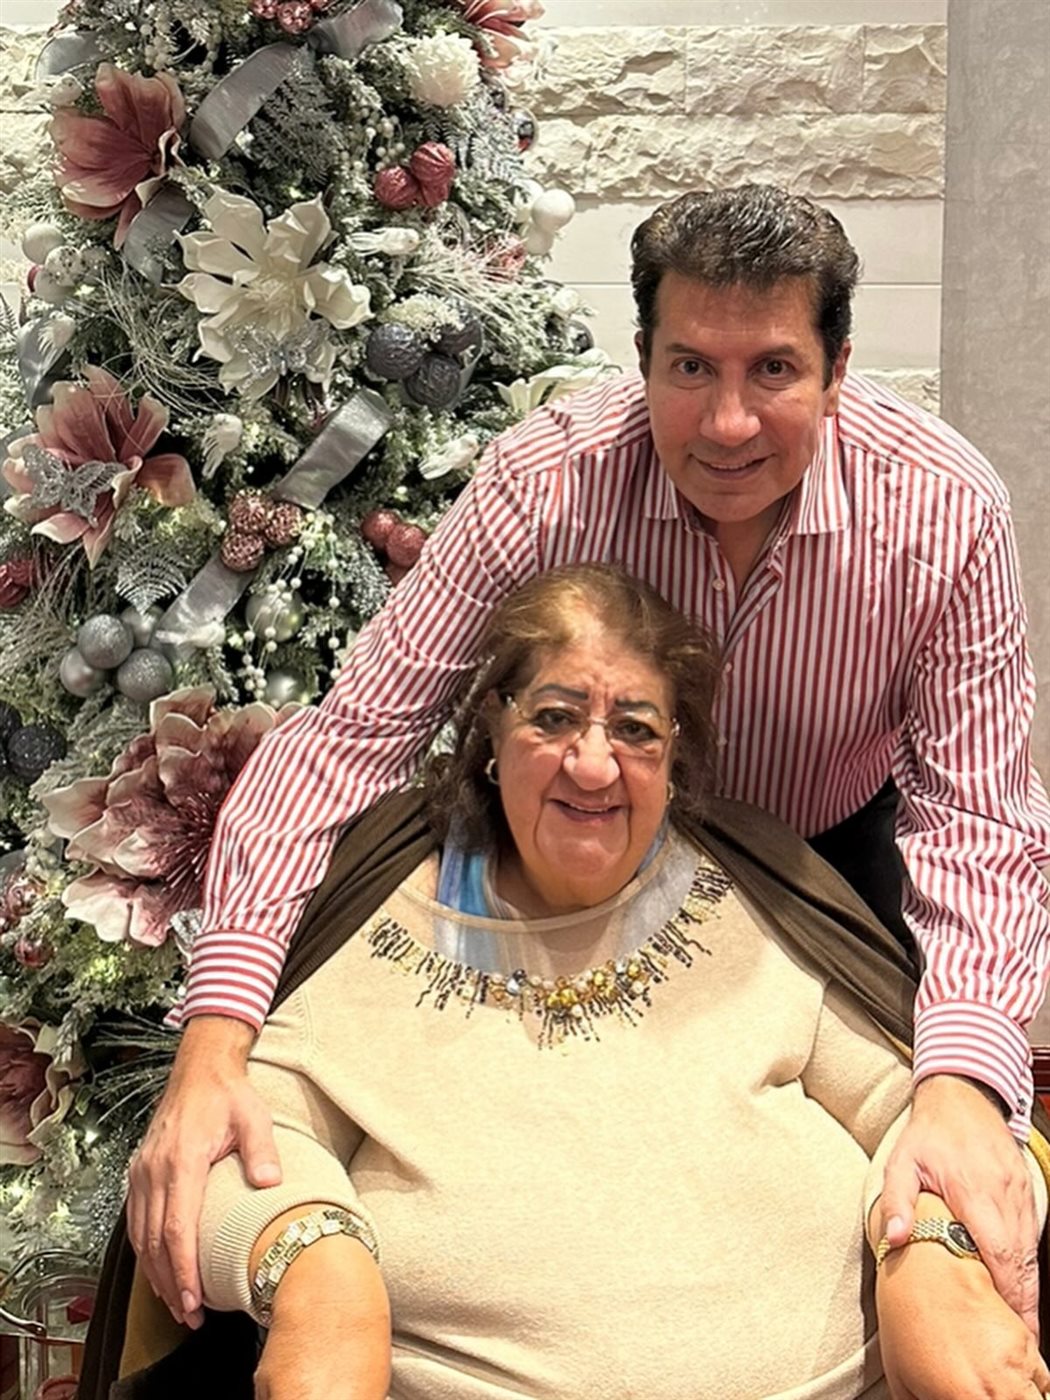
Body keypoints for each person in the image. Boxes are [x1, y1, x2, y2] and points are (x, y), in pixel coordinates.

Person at [131, 184, 1050, 1338]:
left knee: (927, 1156)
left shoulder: (945, 510)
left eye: (773, 369)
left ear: (839, 370)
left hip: (822, 857)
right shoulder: (543, 483)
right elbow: (351, 739)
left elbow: (978, 819)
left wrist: (961, 1085)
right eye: (690, 367)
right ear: (643, 357)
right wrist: (215, 1033)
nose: (727, 423)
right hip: (578, 863)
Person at [93, 567, 1049, 1400]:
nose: (594, 764)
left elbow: (933, 1122)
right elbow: (239, 1143)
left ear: (675, 756)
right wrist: (319, 1274)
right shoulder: (382, 907)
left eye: (635, 728)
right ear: (491, 729)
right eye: (554, 718)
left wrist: (933, 1254)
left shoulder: (758, 897)